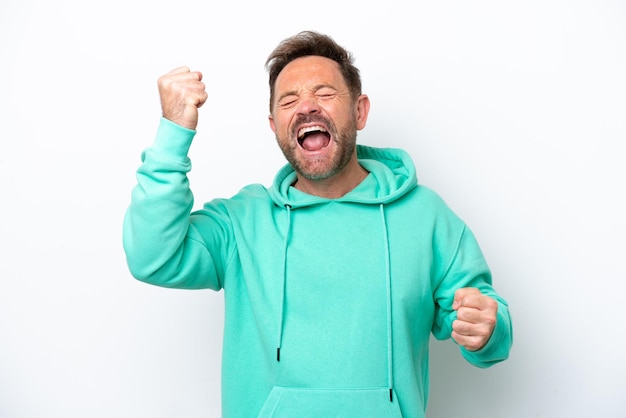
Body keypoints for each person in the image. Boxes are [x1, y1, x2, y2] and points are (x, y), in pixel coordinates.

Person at [123, 30, 513, 418]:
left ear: (359, 111)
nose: (307, 107)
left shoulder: (426, 216)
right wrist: (174, 132)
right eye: (289, 100)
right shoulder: (241, 223)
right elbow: (152, 257)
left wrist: (486, 329)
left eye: (324, 93)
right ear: (275, 125)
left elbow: (487, 322)